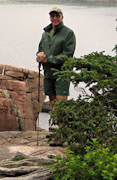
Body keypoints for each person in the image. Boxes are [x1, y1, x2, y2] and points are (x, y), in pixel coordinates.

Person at [36, 7, 76, 146]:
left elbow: (67, 54)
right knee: (53, 102)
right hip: (48, 73)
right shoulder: (45, 33)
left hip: (62, 73)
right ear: (50, 17)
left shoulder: (68, 33)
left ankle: (63, 134)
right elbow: (41, 48)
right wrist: (39, 56)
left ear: (62, 17)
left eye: (57, 16)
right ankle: (59, 130)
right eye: (52, 16)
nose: (54, 18)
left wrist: (49, 59)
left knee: (61, 103)